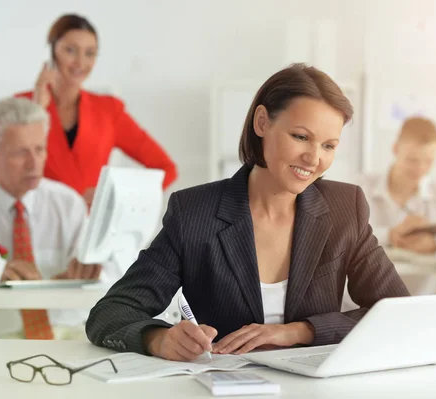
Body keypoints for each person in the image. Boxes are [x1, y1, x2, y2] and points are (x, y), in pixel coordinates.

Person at [86, 64, 409, 360]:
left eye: (328, 145)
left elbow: (397, 312)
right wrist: (159, 339)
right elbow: (111, 312)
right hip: (224, 387)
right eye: (301, 137)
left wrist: (299, 331)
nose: (314, 158)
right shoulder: (195, 213)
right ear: (262, 122)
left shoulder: (344, 207)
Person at [0, 97, 121, 340]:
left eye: (40, 149)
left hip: (67, 333)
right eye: (21, 152)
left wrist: (89, 272)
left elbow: (110, 272)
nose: (34, 164)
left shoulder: (66, 202)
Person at [16, 14, 177, 208]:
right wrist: (37, 110)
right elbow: (7, 169)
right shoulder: (23, 105)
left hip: (89, 229)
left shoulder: (109, 111)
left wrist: (115, 194)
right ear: (52, 50)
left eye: (90, 53)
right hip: (34, 225)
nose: (80, 62)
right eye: (70, 50)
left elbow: (166, 169)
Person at [362, 117, 436, 254]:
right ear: (395, 149)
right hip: (372, 274)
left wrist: (435, 243)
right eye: (412, 160)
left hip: (425, 275)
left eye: (428, 161)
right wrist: (389, 235)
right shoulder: (361, 187)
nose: (420, 168)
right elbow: (345, 235)